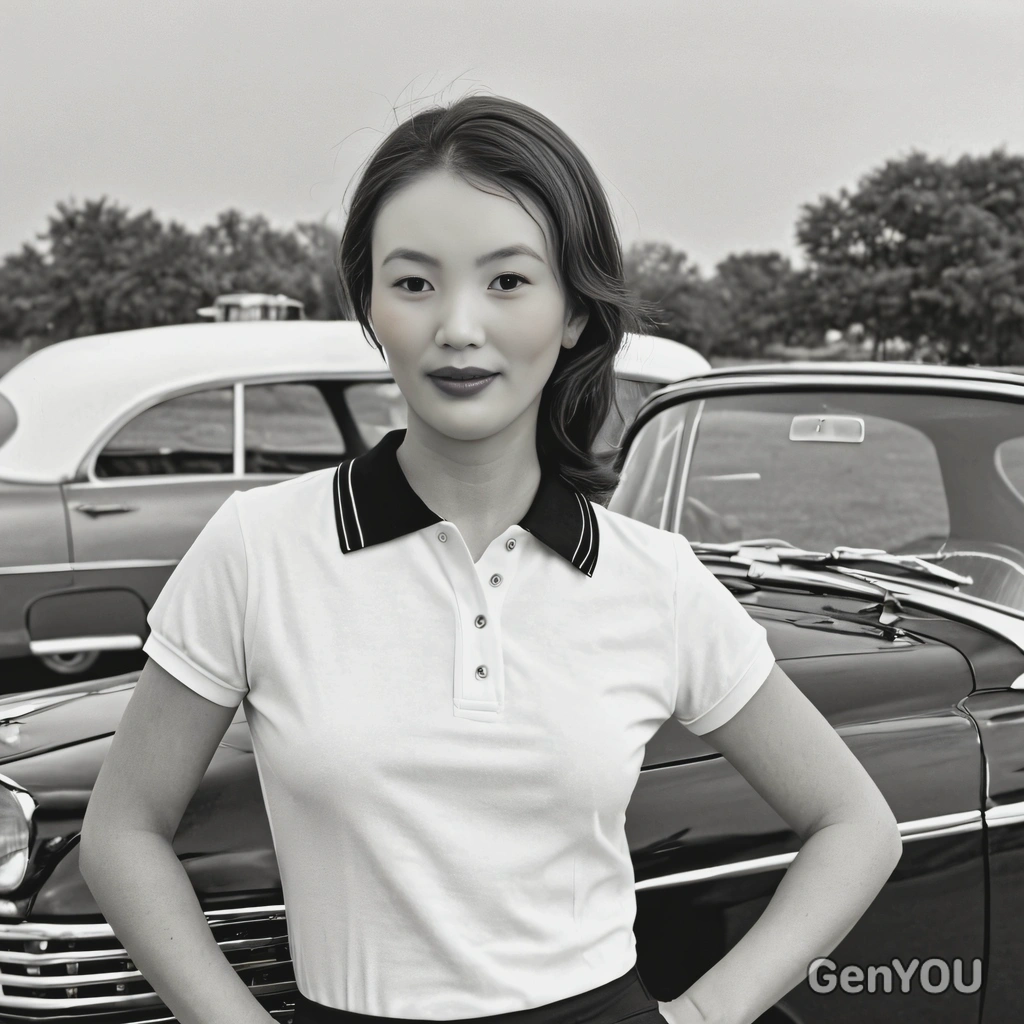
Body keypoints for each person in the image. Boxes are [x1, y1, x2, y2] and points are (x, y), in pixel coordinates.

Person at [79, 93, 902, 1024]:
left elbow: (857, 826)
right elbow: (121, 831)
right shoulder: (258, 546)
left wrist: (707, 1015)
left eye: (508, 281)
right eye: (416, 283)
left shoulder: (656, 580)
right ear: (371, 309)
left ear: (576, 314)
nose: (458, 327)